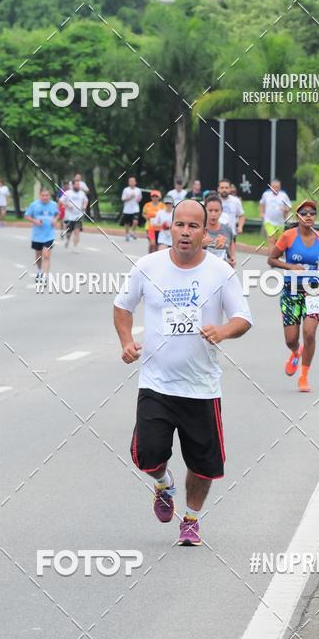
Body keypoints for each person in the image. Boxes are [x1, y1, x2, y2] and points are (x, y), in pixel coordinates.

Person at [113, 199, 252, 546]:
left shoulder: (220, 273)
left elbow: (243, 317)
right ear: (170, 228)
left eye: (193, 226)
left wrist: (223, 331)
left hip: (201, 387)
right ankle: (163, 484)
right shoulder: (148, 266)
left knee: (204, 466)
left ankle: (190, 519)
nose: (185, 232)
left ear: (205, 233)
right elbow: (122, 307)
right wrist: (127, 342)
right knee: (148, 456)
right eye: (180, 225)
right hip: (156, 383)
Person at [267, 199, 319, 393]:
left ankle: (304, 376)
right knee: (291, 339)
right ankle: (296, 352)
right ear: (298, 216)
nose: (308, 216)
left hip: (313, 290)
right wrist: (290, 266)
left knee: (310, 333)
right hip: (291, 291)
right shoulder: (288, 236)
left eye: (312, 213)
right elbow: (271, 259)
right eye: (304, 213)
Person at [24, 187, 59, 283]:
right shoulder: (34, 205)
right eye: (43, 195)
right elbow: (26, 216)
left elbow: (57, 214)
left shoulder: (54, 205)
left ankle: (45, 276)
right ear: (40, 196)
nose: (45, 197)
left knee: (46, 255)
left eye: (47, 195)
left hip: (49, 235)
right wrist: (35, 221)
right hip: (37, 236)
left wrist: (55, 220)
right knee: (38, 256)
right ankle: (39, 271)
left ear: (49, 196)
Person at [259, 178, 292, 251]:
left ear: (280, 187)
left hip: (280, 222)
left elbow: (289, 207)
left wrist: (285, 209)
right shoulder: (266, 195)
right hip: (268, 221)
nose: (275, 189)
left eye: (277, 187)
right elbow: (261, 203)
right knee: (271, 238)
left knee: (278, 241)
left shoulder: (283, 196)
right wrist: (261, 213)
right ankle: (271, 255)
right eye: (274, 187)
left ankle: (275, 254)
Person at [217, 179, 245, 265]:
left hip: (230, 234)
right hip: (216, 233)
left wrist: (240, 227)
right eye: (222, 187)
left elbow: (241, 215)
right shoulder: (214, 200)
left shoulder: (235, 201)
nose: (224, 190)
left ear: (230, 189)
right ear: (218, 189)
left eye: (226, 188)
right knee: (217, 258)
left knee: (231, 259)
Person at [203, 192, 234, 266]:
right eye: (210, 210)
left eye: (216, 210)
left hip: (223, 270)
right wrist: (201, 245)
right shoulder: (199, 230)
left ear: (221, 211)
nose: (213, 214)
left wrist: (232, 259)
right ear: (205, 210)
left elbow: (231, 254)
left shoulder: (228, 230)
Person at [60, 175, 88, 252]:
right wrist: (67, 205)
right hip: (69, 216)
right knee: (68, 233)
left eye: (79, 185)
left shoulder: (82, 193)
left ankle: (75, 247)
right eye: (76, 185)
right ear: (72, 185)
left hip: (78, 215)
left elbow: (86, 200)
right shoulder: (68, 193)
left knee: (77, 231)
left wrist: (84, 205)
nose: (78, 186)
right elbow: (61, 201)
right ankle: (68, 240)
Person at [121, 176, 142, 241]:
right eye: (130, 181)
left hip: (135, 208)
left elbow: (139, 198)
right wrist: (130, 197)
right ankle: (127, 234)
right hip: (127, 209)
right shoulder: (126, 190)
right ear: (128, 182)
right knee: (127, 223)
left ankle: (132, 231)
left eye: (133, 181)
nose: (132, 182)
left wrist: (139, 199)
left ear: (135, 182)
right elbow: (123, 199)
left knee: (135, 221)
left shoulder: (138, 190)